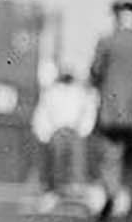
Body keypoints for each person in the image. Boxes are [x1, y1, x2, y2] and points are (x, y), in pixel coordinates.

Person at [88, 0, 132, 219]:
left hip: (112, 112)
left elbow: (96, 73)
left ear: (117, 16)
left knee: (111, 157)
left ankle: (111, 194)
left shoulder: (107, 42)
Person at [31, 66, 97, 214]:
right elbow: (42, 115)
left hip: (75, 132)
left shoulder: (81, 93)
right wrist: (46, 133)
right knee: (56, 165)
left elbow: (88, 112)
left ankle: (77, 197)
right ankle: (53, 195)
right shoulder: (51, 93)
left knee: (77, 166)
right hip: (57, 133)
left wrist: (82, 131)